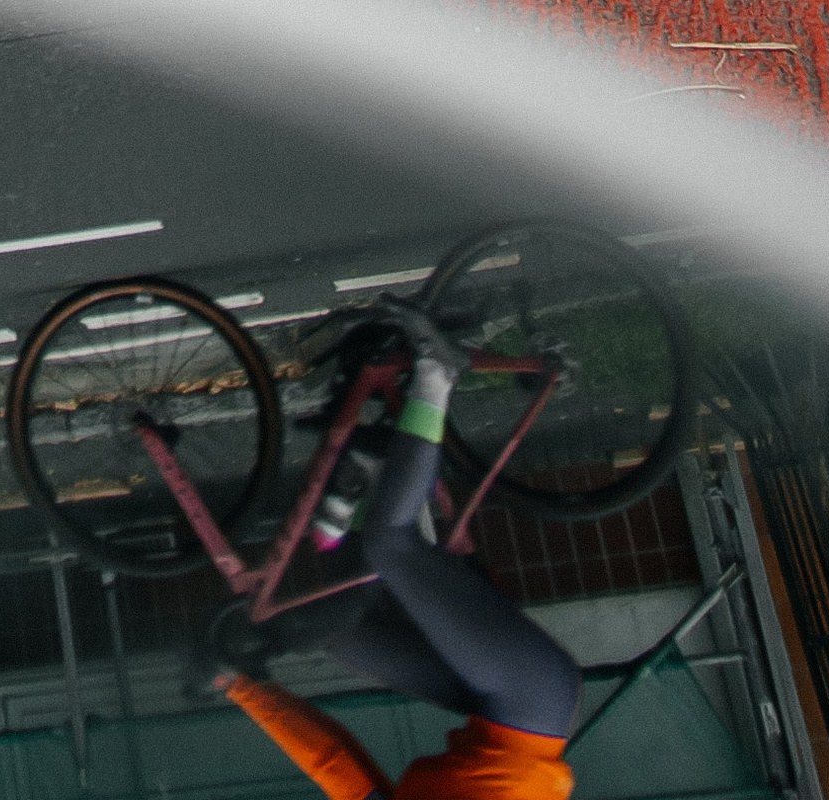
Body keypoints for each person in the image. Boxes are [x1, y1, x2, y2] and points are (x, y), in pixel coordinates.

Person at [214, 302, 581, 800]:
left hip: (484, 716)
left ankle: (357, 477)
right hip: (531, 702)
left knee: (343, 634)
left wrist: (241, 687)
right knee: (391, 544)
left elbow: (337, 767)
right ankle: (438, 373)